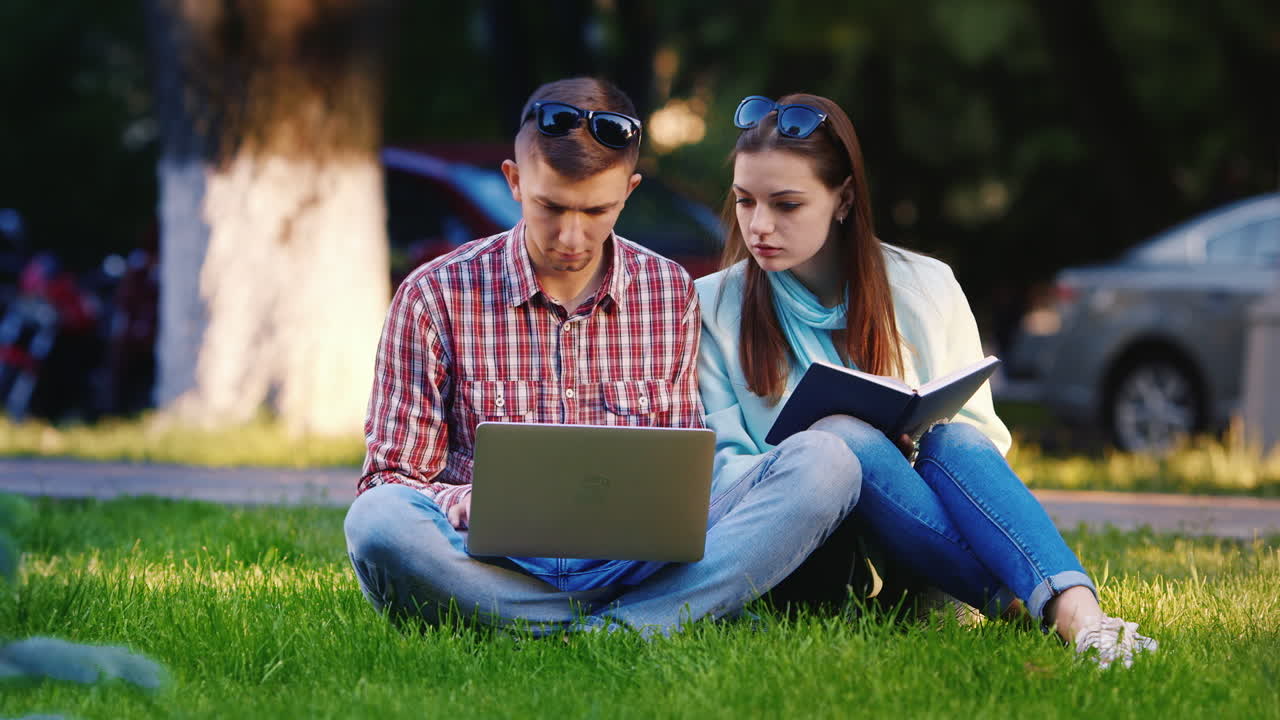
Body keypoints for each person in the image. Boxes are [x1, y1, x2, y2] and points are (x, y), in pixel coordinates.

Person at [343, 78, 862, 637]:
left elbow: (684, 467)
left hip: (638, 563)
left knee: (827, 464)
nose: (572, 236)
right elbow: (388, 478)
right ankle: (651, 620)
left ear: (629, 192)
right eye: (551, 207)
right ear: (515, 183)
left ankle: (565, 625)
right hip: (491, 560)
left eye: (596, 211)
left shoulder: (668, 290)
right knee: (378, 523)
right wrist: (465, 499)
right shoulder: (434, 294)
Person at [695, 92, 1159, 668]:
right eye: (745, 202)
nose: (759, 225)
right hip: (803, 551)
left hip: (916, 546)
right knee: (846, 436)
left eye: (786, 205)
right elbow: (723, 469)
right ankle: (1030, 603)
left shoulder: (925, 285)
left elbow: (982, 444)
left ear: (842, 201)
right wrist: (828, 458)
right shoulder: (713, 305)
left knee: (954, 439)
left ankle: (1083, 617)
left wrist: (900, 456)